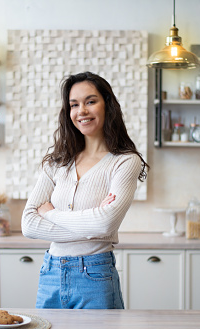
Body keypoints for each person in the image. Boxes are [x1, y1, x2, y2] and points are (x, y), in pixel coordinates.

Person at [21, 71, 149, 309]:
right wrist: (93, 227)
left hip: (95, 274)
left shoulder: (124, 161)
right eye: (74, 105)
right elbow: (28, 224)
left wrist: (50, 214)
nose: (82, 111)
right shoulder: (57, 162)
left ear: (107, 105)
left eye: (90, 101)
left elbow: (104, 225)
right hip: (51, 273)